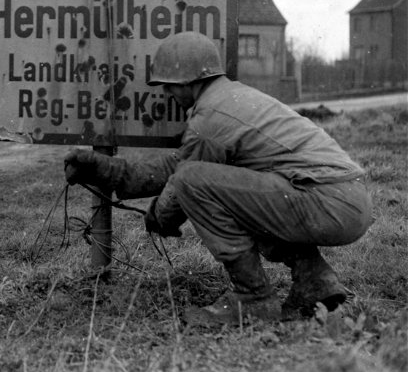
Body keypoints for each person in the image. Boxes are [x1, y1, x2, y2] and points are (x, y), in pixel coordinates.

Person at [63, 31, 372, 326]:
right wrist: (101, 168)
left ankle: (252, 298)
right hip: (342, 198)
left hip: (326, 200)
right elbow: (177, 166)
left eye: (169, 85)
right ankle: (315, 281)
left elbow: (183, 179)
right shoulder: (230, 98)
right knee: (240, 190)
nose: (167, 94)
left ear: (189, 80)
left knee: (195, 181)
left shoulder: (210, 118)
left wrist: (161, 216)